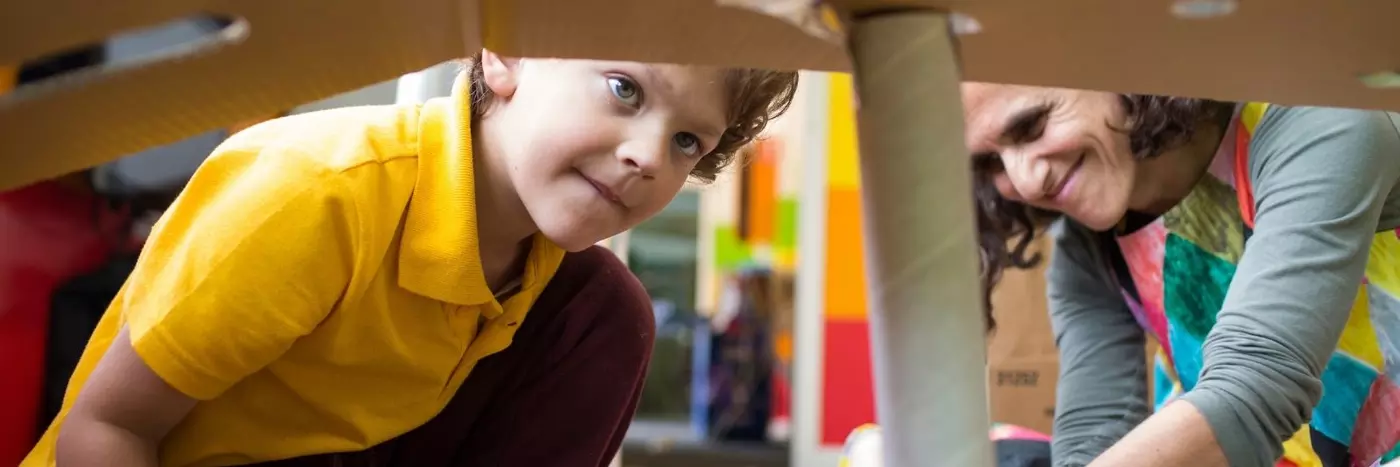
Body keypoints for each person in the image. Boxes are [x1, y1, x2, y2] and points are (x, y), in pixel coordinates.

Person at [22, 50, 798, 466]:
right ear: (508, 52)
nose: (648, 156)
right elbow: (108, 426)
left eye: (687, 141)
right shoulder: (320, 194)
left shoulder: (539, 272)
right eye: (626, 90)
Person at [968, 86, 1400, 467]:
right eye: (990, 160)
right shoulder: (1087, 243)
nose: (1026, 183)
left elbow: (1252, 396)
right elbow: (1091, 431)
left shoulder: (1320, 122)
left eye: (1032, 125)